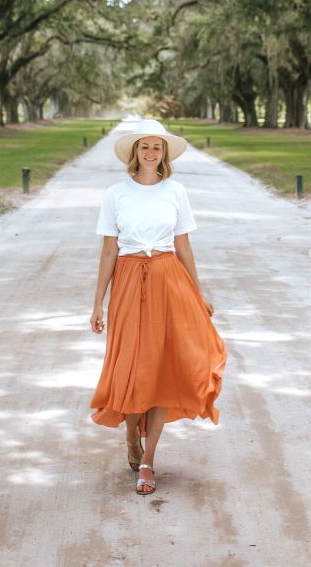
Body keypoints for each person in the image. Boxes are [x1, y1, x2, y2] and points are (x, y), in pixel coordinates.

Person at [89, 119, 227, 495]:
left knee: (165, 366)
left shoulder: (176, 192)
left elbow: (184, 246)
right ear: (135, 153)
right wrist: (97, 303)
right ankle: (131, 432)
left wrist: (198, 294)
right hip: (130, 279)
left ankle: (148, 459)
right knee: (134, 365)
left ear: (164, 154)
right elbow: (108, 250)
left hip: (169, 277)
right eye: (145, 147)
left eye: (157, 147)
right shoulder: (115, 194)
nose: (151, 153)